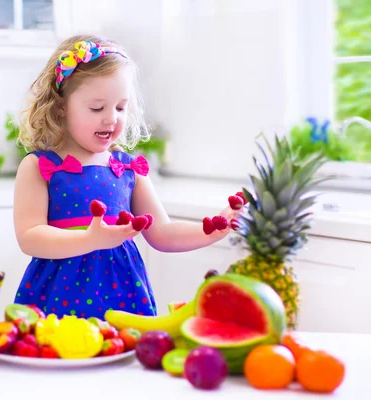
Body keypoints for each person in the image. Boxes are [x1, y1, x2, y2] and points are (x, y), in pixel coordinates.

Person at [12, 35, 238, 319]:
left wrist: (212, 231)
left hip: (122, 298)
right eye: (97, 108)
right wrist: (90, 238)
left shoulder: (128, 169)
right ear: (61, 108)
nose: (112, 118)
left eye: (121, 107)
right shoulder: (39, 166)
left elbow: (163, 233)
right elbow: (30, 237)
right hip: (56, 300)